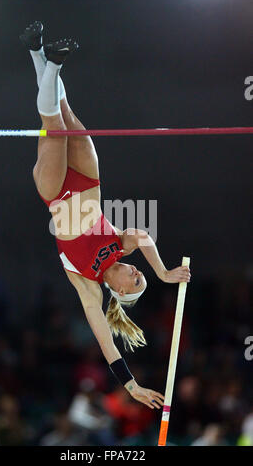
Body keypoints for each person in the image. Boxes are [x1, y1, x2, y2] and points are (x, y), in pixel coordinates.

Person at [20, 21, 191, 410]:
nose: (136, 273)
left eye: (136, 281)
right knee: (64, 111)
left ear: (120, 292)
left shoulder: (90, 286)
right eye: (141, 274)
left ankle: (50, 62)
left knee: (53, 125)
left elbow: (104, 340)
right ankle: (37, 51)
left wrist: (130, 387)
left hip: (57, 193)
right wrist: (163, 272)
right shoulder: (121, 247)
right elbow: (143, 236)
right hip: (88, 179)